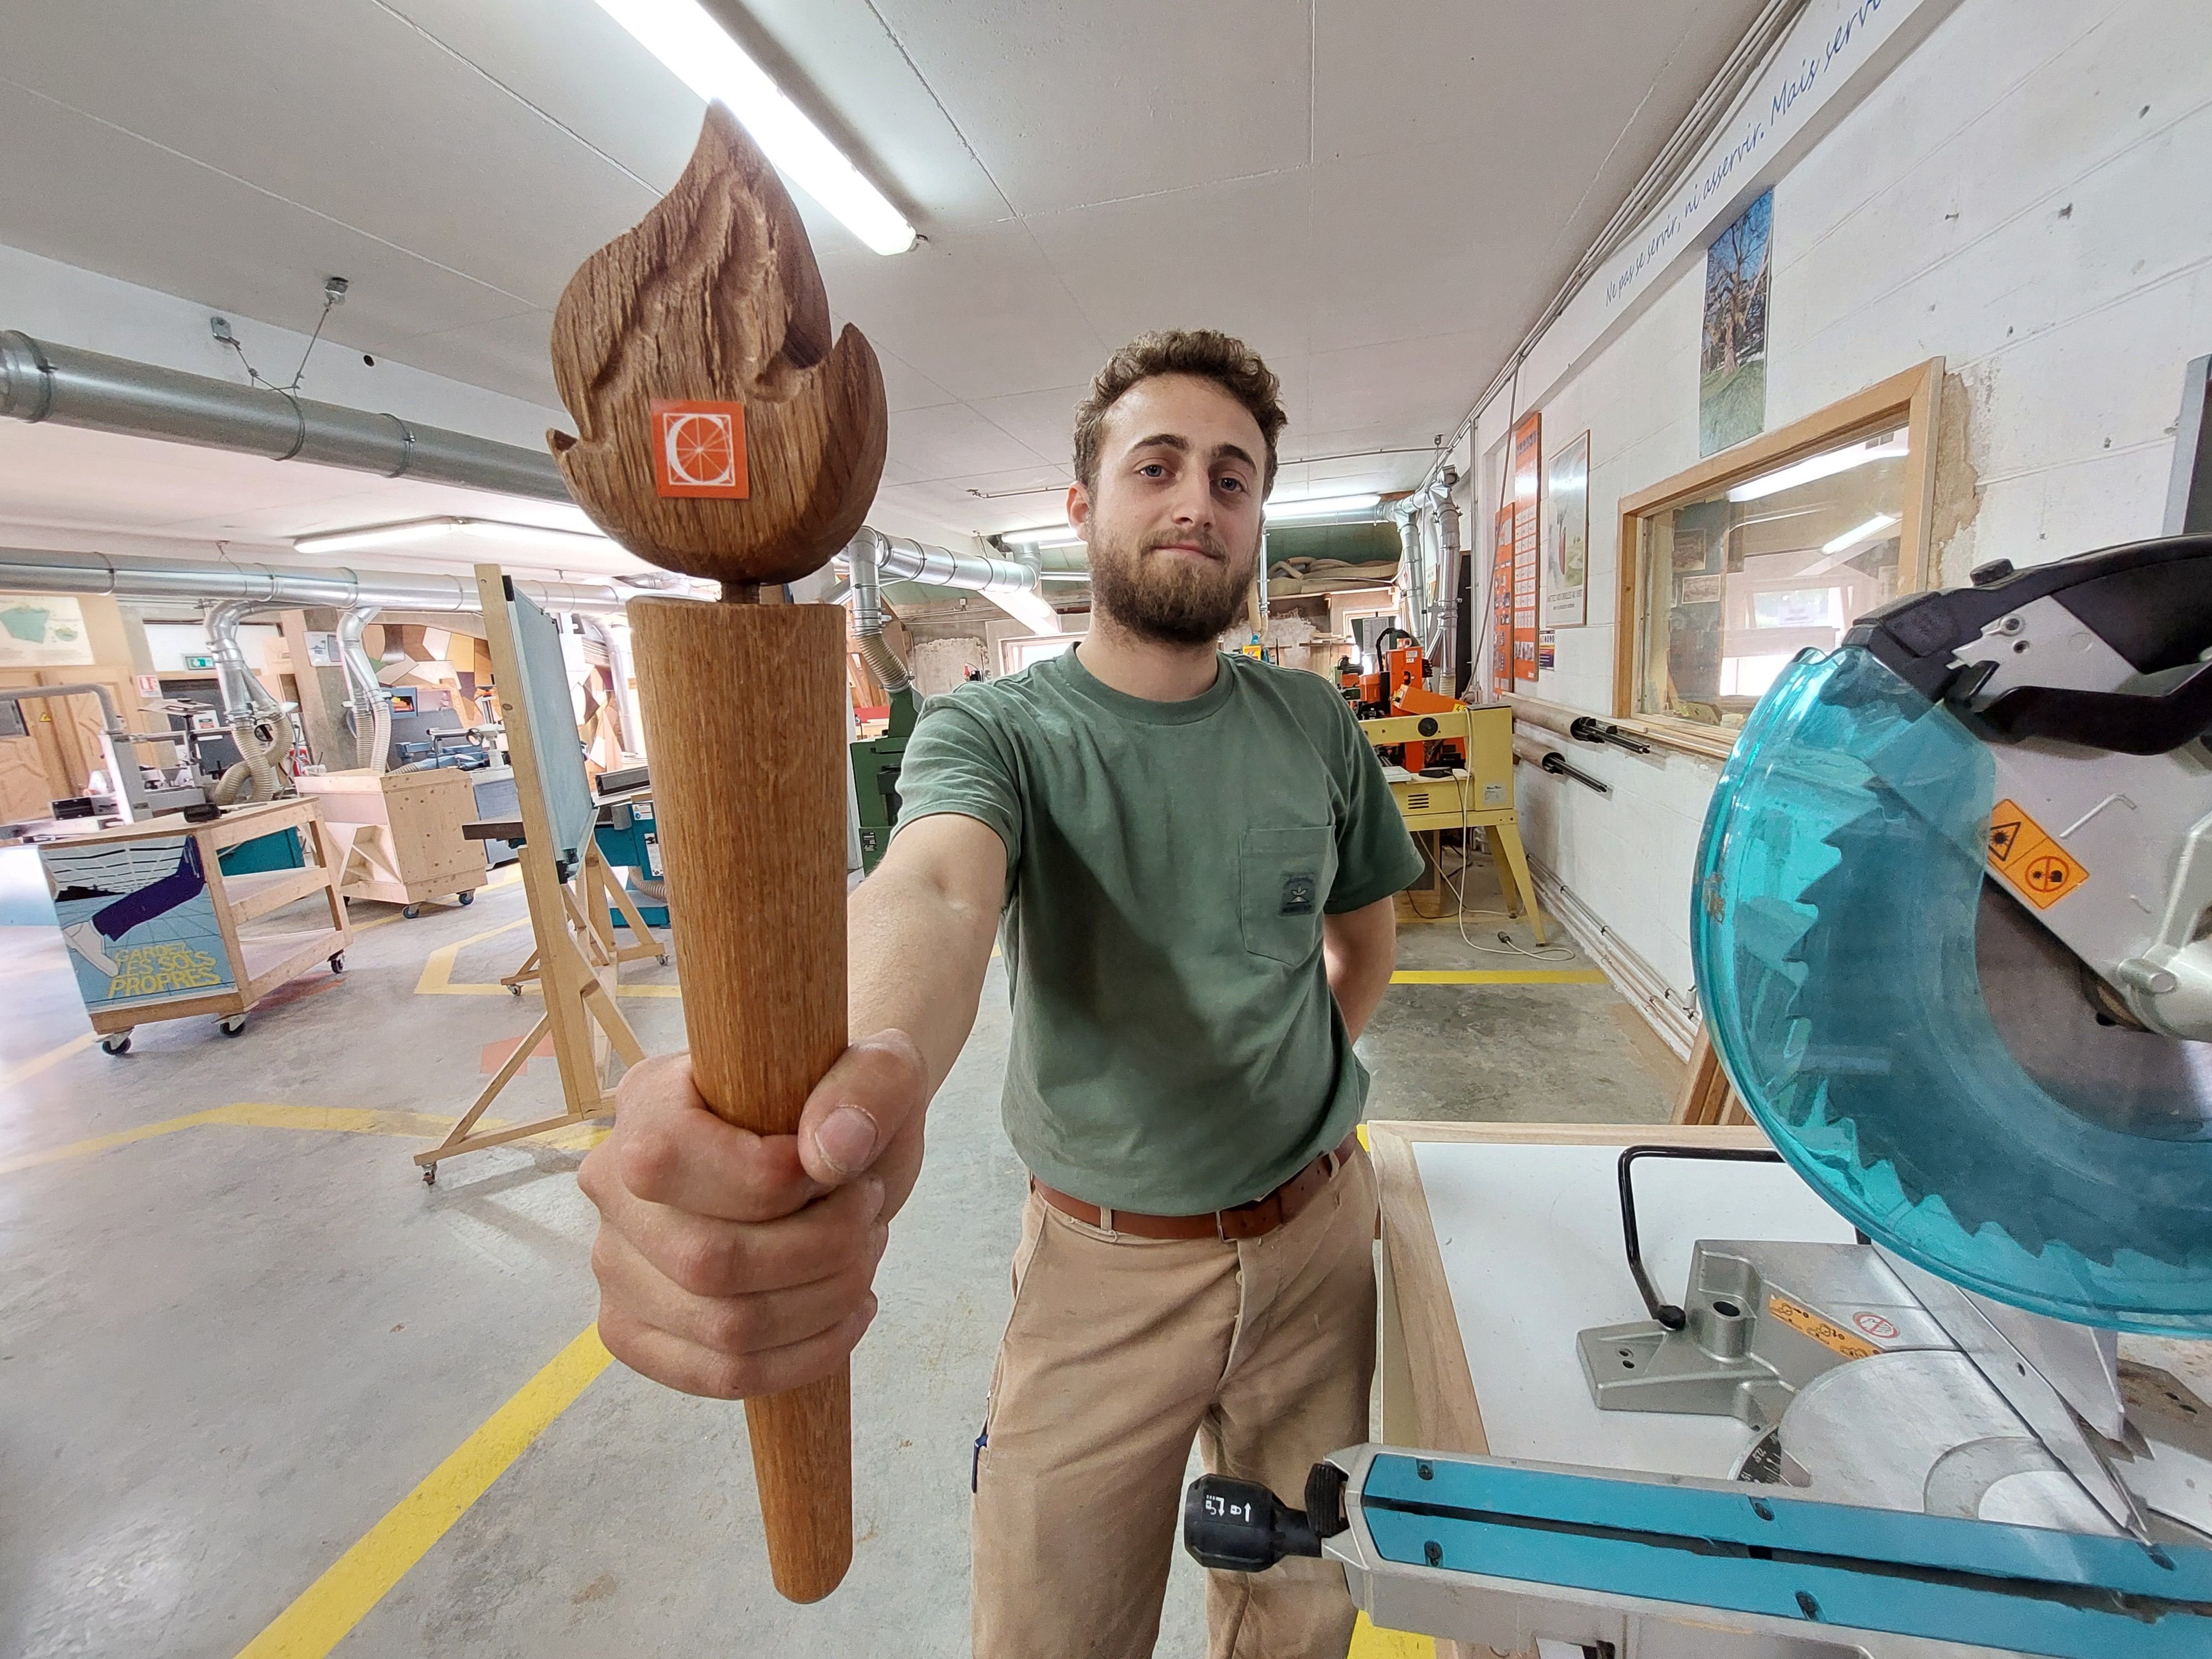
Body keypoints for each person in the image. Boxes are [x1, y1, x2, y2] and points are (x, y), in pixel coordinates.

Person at [578, 328, 1424, 1658]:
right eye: (1157, 466)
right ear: (1083, 505)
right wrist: (869, 1063)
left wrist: (1293, 1105)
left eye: (1231, 477)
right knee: (1052, 1622)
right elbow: (934, 892)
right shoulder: (998, 731)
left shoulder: (1312, 722)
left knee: (1303, 1597)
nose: (1196, 501)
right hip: (1108, 1268)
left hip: (1322, 1245)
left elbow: (1360, 944)